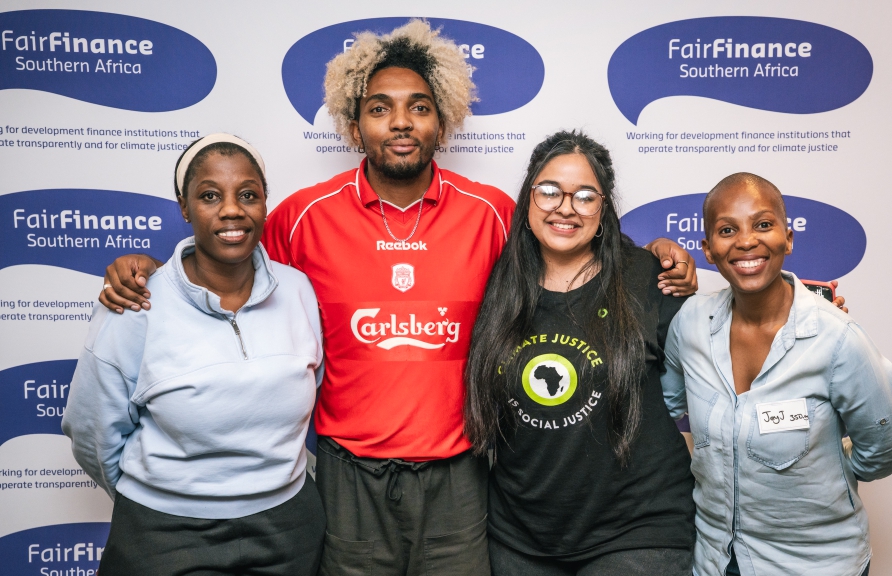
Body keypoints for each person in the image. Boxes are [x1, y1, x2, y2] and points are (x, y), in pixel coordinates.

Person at [95, 20, 696, 575]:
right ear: (354, 125)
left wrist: (652, 258)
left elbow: (567, 238)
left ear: (443, 121)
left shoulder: (489, 212)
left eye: (419, 107)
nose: (401, 122)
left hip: (460, 478)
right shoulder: (303, 216)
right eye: (380, 108)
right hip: (348, 476)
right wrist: (154, 272)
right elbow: (227, 255)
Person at [62, 134, 326, 576]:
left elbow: (312, 391)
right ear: (184, 208)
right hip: (163, 536)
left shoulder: (298, 289)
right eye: (209, 196)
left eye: (248, 195)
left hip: (289, 530)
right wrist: (158, 498)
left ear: (265, 203)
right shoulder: (135, 303)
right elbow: (92, 431)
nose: (232, 210)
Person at [464, 131, 696, 575]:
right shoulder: (492, 282)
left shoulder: (648, 277)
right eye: (550, 191)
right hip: (518, 537)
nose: (566, 207)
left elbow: (720, 366)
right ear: (529, 198)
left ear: (603, 209)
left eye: (585, 196)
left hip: (638, 531)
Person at [661, 173, 892, 576]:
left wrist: (827, 473)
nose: (746, 241)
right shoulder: (689, 324)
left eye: (763, 224)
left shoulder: (837, 338)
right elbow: (664, 410)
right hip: (715, 560)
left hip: (815, 565)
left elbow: (885, 452)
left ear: (788, 239)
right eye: (727, 230)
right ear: (708, 250)